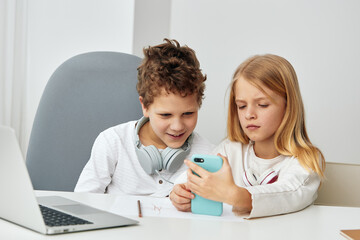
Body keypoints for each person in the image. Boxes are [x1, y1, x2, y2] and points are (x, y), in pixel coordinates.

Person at [169, 54, 325, 218]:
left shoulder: (306, 161)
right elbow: (195, 177)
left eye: (262, 105)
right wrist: (181, 191)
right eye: (242, 106)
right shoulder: (230, 150)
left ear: (288, 106)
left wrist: (235, 195)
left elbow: (288, 194)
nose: (249, 114)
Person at [75, 39, 214, 197]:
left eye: (188, 114)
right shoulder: (113, 142)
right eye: (165, 115)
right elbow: (82, 201)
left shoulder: (208, 155)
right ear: (145, 106)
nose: (177, 126)